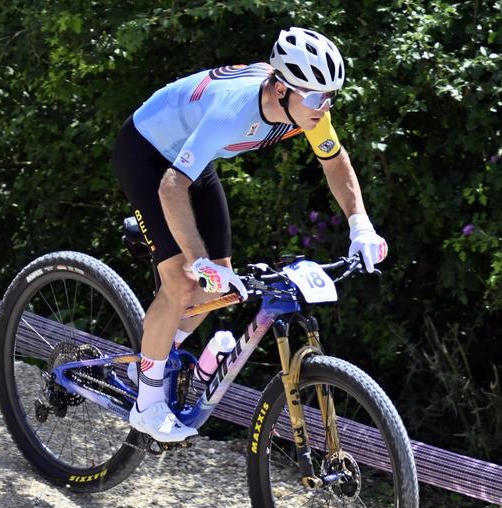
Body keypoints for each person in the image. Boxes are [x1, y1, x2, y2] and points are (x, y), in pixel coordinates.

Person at [112, 27, 388, 442]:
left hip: (190, 156)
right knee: (185, 280)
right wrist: (196, 259)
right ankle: (147, 404)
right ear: (281, 89)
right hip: (148, 153)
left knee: (220, 287)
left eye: (330, 96)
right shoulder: (233, 112)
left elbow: (335, 163)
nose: (324, 107)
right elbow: (170, 186)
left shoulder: (309, 110)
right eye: (315, 97)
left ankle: (150, 359)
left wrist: (360, 224)